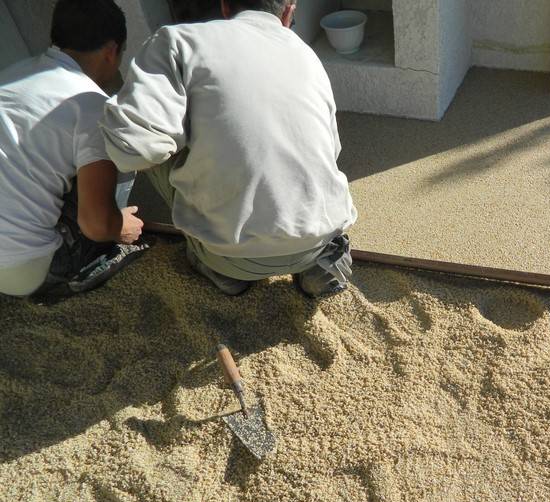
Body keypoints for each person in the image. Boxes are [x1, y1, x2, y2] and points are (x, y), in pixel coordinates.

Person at [101, 0, 357, 297]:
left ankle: (222, 272)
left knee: (158, 148)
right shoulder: (307, 54)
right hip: (316, 242)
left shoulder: (177, 41)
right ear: (289, 12)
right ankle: (324, 269)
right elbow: (331, 150)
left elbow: (133, 149)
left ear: (224, 7)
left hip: (226, 253)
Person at [0, 0, 147, 298]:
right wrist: (120, 226)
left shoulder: (13, 76)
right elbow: (96, 225)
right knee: (124, 144)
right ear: (111, 51)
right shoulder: (91, 106)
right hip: (22, 273)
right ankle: (79, 267)